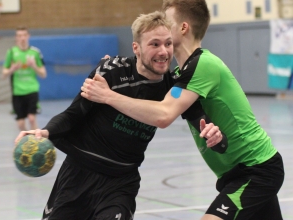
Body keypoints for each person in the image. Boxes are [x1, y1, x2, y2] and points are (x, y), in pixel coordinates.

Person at [80, 1, 285, 219]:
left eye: (167, 21)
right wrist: (116, 69)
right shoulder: (181, 73)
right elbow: (147, 86)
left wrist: (108, 96)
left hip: (255, 170)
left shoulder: (203, 65)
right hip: (236, 173)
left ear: (183, 28)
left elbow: (164, 115)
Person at [14, 11, 223, 220]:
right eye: (155, 44)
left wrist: (213, 133)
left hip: (120, 183)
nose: (164, 51)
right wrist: (45, 131)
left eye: (168, 44)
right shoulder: (111, 71)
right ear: (136, 48)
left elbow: (200, 120)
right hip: (78, 174)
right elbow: (74, 113)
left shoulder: (173, 88)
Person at [2, 26, 47, 131]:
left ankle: (37, 142)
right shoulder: (11, 52)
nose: (22, 38)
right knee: (21, 123)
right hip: (17, 92)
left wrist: (34, 66)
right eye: (19, 36)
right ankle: (24, 144)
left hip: (32, 89)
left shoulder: (35, 52)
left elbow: (43, 74)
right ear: (16, 38)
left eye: (24, 35)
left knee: (32, 118)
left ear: (28, 36)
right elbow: (4, 74)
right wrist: (12, 69)